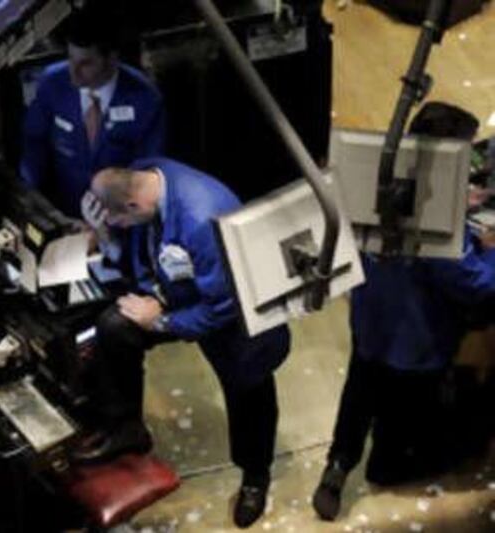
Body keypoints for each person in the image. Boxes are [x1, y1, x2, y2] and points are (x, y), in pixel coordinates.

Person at [72, 158, 290, 529]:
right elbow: (140, 245)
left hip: (236, 319)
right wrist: (109, 239)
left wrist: (160, 318)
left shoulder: (204, 220)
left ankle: (255, 478)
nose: (116, 229)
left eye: (117, 223)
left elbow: (222, 308)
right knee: (114, 327)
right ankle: (126, 427)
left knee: (248, 394)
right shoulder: (144, 177)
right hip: (178, 293)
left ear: (133, 206)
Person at [311, 234, 495, 521]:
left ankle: (338, 464)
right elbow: (475, 284)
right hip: (417, 340)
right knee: (394, 455)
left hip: (371, 320)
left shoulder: (364, 198)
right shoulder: (438, 222)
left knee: (359, 390)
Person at [20, 6, 165, 219]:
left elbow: (148, 173)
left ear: (111, 59)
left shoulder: (144, 99)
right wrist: (32, 203)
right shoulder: (52, 83)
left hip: (119, 218)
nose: (73, 72)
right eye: (70, 59)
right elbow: (34, 145)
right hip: (64, 215)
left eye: (85, 63)